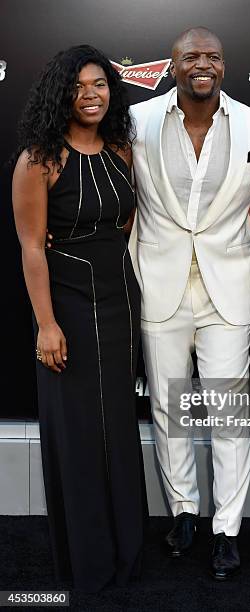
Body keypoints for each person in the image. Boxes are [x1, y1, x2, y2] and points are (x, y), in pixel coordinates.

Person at [128, 27, 250, 580]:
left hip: (228, 287)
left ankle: (227, 530)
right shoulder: (137, 120)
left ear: (224, 64)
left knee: (228, 411)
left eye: (212, 56)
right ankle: (184, 511)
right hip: (161, 284)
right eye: (191, 56)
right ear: (172, 64)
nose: (202, 64)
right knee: (168, 408)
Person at [12, 45, 147, 592]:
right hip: (65, 307)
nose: (90, 96)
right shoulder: (38, 161)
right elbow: (31, 248)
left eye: (99, 85)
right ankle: (87, 563)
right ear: (60, 95)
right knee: (78, 434)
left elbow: (127, 223)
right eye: (78, 87)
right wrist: (46, 324)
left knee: (117, 427)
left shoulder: (121, 149)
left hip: (119, 304)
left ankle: (126, 554)